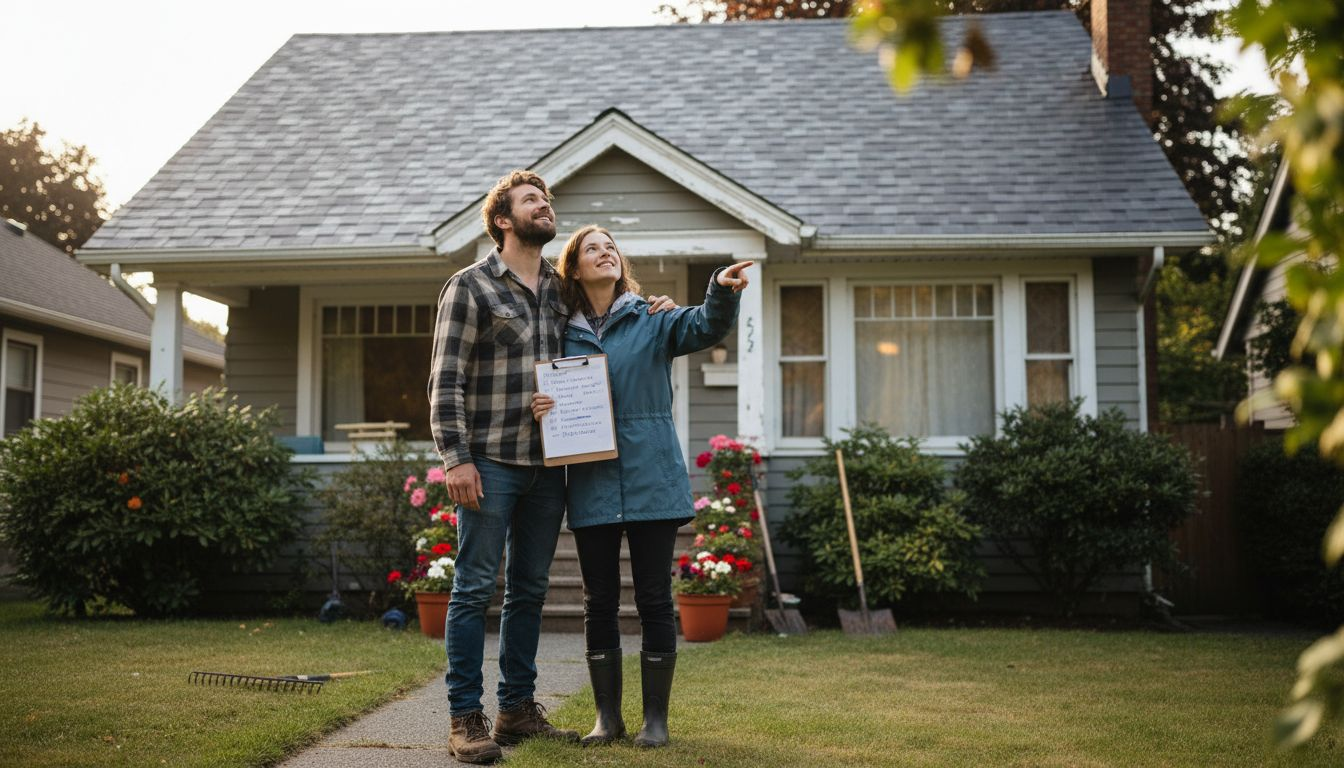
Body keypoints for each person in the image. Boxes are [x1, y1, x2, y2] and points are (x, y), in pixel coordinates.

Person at [428, 172, 677, 764]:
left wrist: (652, 306)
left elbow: (606, 318)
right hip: (489, 462)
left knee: (530, 590)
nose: (546, 206)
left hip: (548, 465)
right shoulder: (470, 287)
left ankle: (516, 707)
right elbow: (445, 381)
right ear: (504, 221)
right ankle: (466, 718)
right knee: (472, 589)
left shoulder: (557, 292)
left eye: (548, 200)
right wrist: (456, 458)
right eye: (532, 201)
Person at [532, 224, 752, 748]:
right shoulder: (560, 331)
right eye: (592, 248)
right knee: (598, 602)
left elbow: (704, 327)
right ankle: (607, 719)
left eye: (611, 246)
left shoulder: (652, 317)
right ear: (575, 267)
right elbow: (542, 384)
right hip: (591, 483)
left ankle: (657, 720)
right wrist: (542, 406)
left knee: (655, 599)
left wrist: (719, 287)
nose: (605, 251)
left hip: (653, 478)